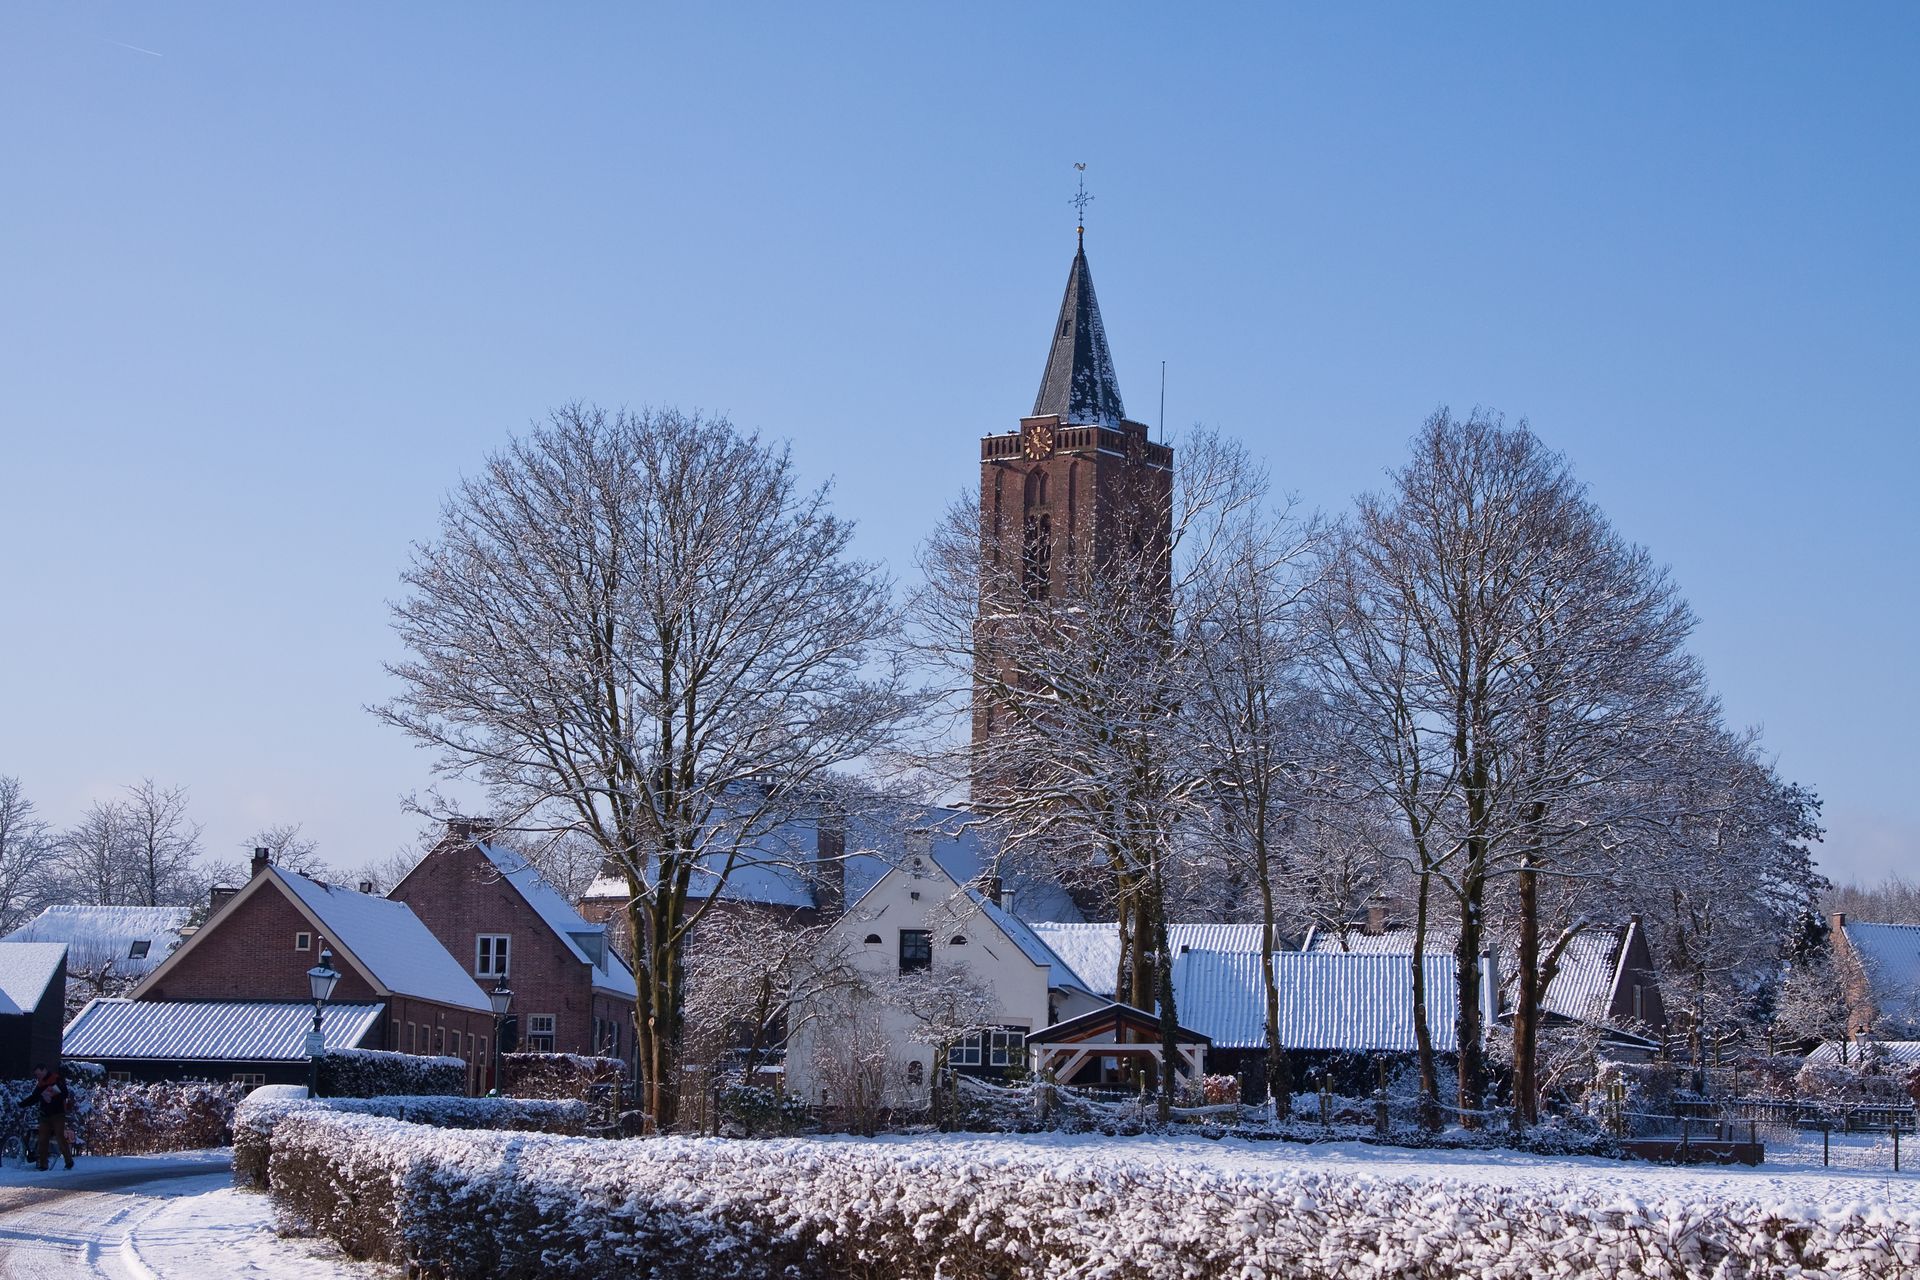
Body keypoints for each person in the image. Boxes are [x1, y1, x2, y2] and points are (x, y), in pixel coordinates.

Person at [18, 1063, 73, 1171]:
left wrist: (52, 1093)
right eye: (36, 1075)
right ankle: (43, 1165)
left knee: (60, 1137)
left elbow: (65, 1093)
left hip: (58, 1114)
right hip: (45, 1115)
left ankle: (69, 1161)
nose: (37, 1077)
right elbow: (34, 1097)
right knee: (42, 1139)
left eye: (38, 1074)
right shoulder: (40, 1084)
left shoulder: (56, 1079)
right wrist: (21, 1104)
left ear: (44, 1070)